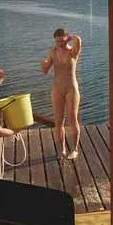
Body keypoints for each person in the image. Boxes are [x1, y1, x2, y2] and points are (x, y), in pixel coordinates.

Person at [40, 28, 82, 161]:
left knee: (72, 119)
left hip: (71, 88)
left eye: (62, 41)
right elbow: (45, 71)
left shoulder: (73, 52)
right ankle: (62, 150)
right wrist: (43, 65)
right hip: (57, 88)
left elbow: (78, 40)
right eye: (57, 42)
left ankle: (74, 150)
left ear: (67, 38)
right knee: (58, 121)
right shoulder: (52, 52)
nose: (59, 44)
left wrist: (70, 39)